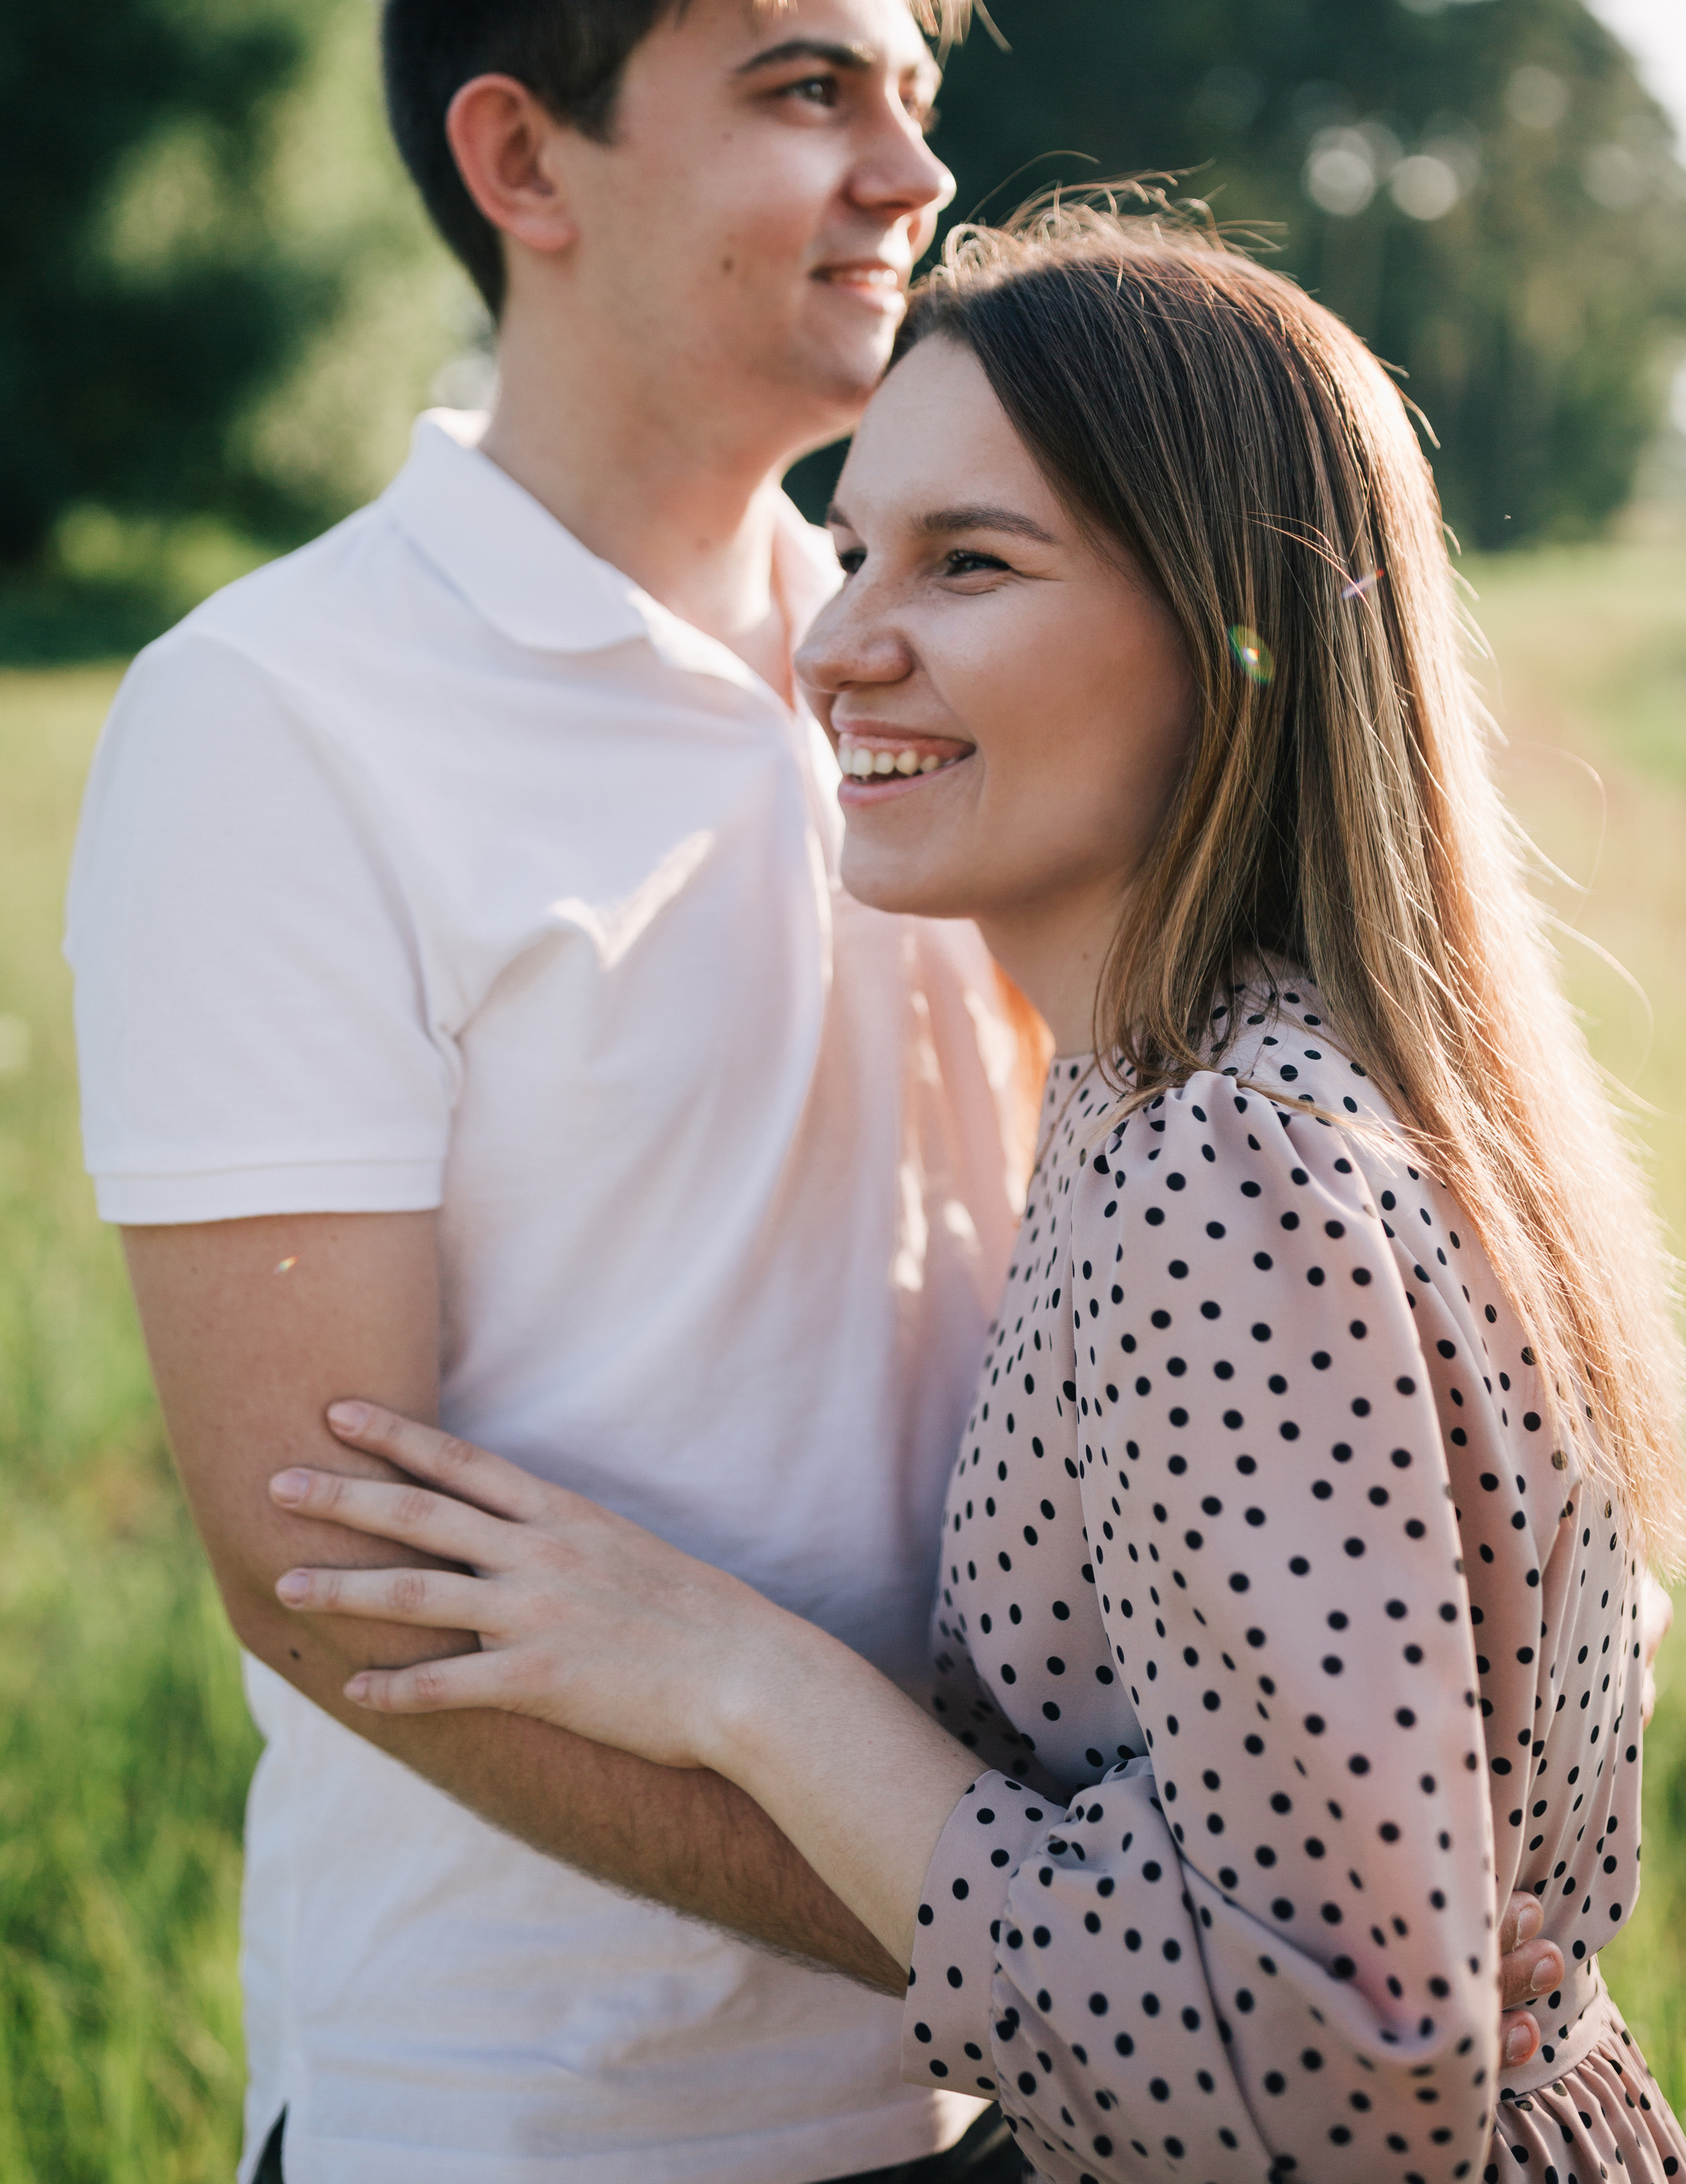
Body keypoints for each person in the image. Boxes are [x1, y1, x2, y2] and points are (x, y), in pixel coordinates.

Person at [266, 209, 1686, 2184]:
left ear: (1229, 632)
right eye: (855, 552)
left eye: (970, 561)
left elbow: (1348, 2104)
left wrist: (737, 1680)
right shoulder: (1202, 1086)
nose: (835, 641)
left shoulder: (1228, 1169)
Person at [67, 0, 1041, 2184]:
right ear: (524, 165)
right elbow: (330, 1578)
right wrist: (1026, 1927)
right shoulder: (276, 714)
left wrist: (1060, 1972)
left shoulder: (942, 665)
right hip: (535, 2118)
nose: (912, 181)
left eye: (912, 100)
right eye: (807, 91)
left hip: (1028, 2101)